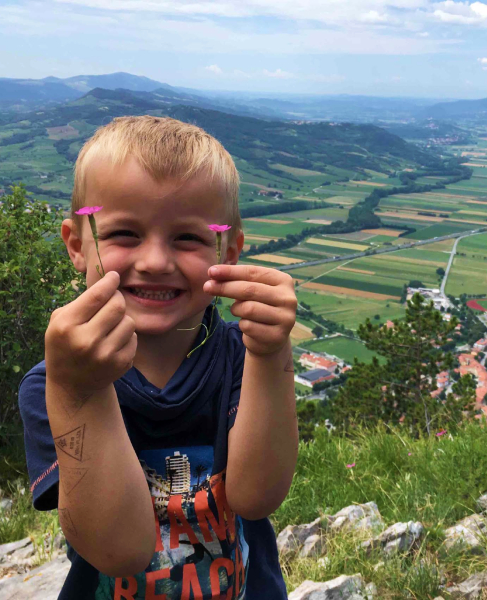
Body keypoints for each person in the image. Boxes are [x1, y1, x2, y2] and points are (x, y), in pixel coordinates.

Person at [18, 115, 298, 599]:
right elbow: (119, 551)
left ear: (228, 249)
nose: (153, 261)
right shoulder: (54, 386)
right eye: (124, 234)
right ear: (76, 246)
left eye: (188, 238)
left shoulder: (242, 358)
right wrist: (78, 391)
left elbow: (257, 497)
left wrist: (272, 354)